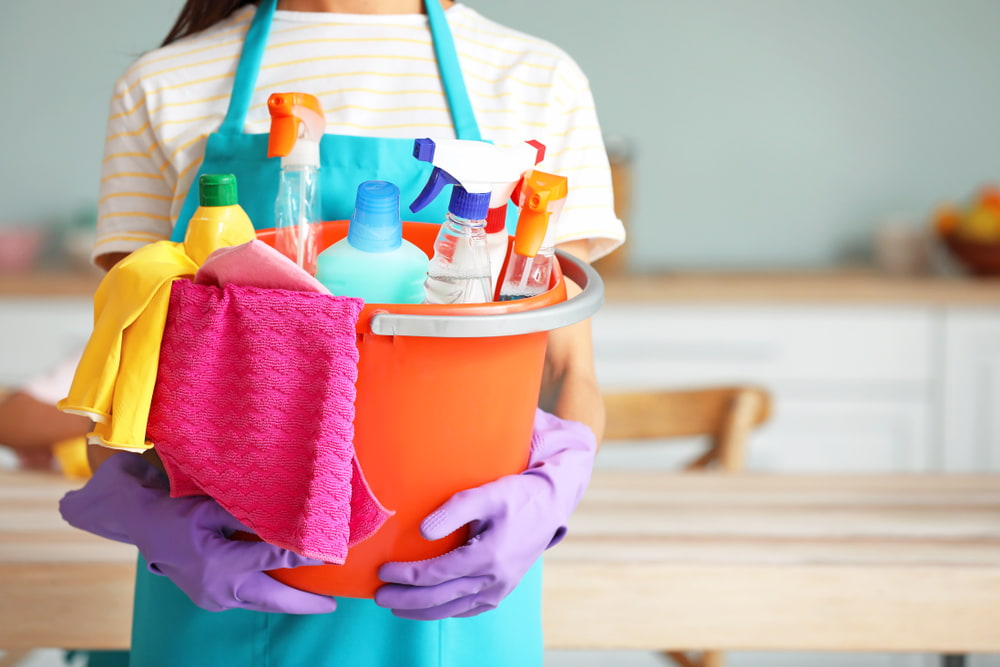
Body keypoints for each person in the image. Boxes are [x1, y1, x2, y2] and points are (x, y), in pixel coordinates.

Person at [59, 1, 625, 665]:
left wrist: (557, 490)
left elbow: (567, 372)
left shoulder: (536, 80)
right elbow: (124, 380)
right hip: (226, 597)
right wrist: (144, 507)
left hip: (449, 585)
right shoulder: (166, 85)